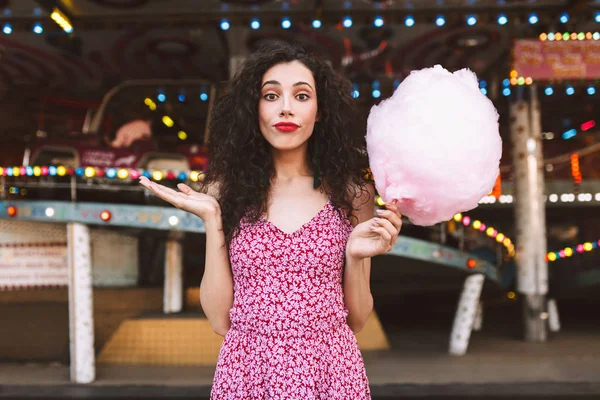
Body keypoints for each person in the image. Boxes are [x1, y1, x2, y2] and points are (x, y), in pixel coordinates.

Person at [139, 41, 402, 399]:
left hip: (330, 373)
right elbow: (219, 321)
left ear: (320, 110)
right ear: (254, 108)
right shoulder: (224, 192)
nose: (286, 109)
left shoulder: (355, 196)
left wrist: (354, 258)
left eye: (302, 96)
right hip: (248, 373)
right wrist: (213, 220)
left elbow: (356, 320)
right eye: (271, 96)